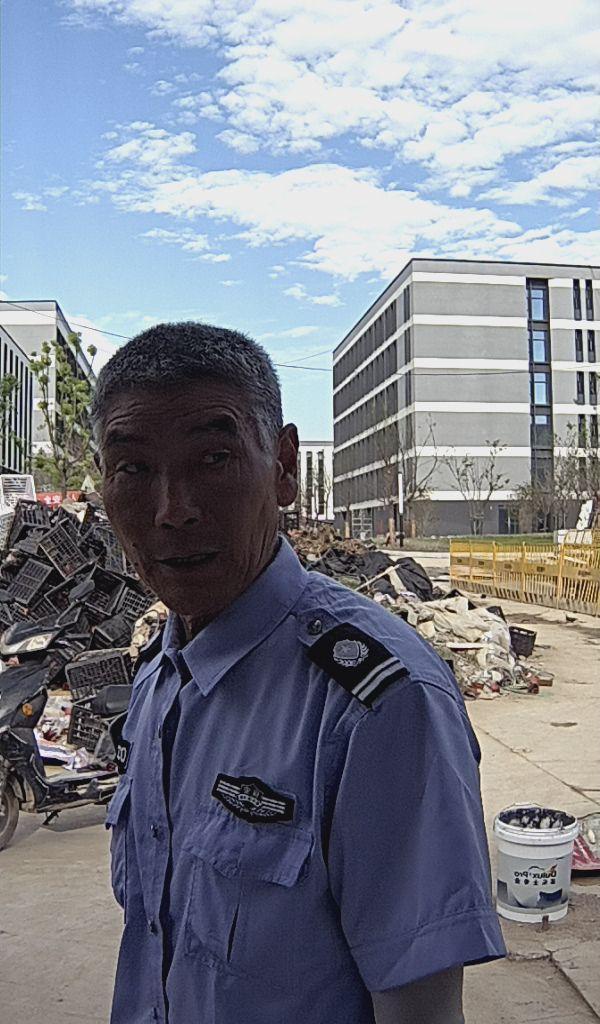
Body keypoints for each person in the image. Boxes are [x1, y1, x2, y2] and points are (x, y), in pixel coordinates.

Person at [95, 322, 505, 1024]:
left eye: (214, 459)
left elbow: (421, 1012)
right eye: (133, 470)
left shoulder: (380, 705)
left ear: (283, 466)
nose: (173, 511)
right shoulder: (160, 676)